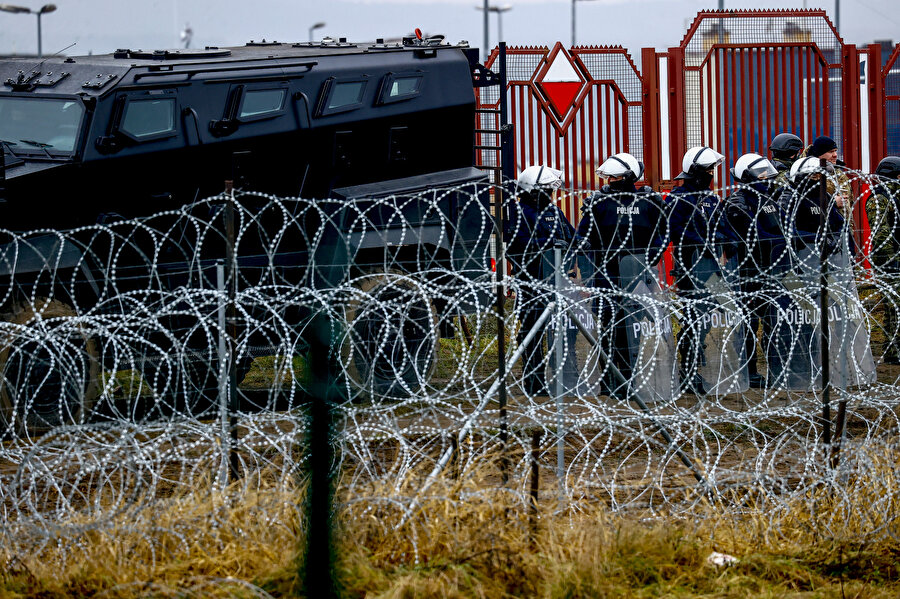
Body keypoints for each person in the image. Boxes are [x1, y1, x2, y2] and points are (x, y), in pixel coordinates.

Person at [576, 152, 672, 402]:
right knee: (608, 329)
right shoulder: (598, 202)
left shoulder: (649, 201)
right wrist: (589, 275)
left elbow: (663, 233)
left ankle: (630, 377)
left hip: (639, 276)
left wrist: (651, 258)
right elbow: (584, 240)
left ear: (629, 176)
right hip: (606, 277)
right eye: (608, 176)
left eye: (615, 176)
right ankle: (610, 380)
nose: (609, 180)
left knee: (634, 329)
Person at [780, 156, 875, 388]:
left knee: (845, 317)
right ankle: (824, 374)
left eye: (821, 176)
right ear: (802, 177)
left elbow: (839, 224)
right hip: (809, 269)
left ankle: (852, 372)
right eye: (814, 176)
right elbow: (790, 233)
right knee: (819, 322)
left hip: (835, 267)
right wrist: (815, 241)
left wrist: (843, 248)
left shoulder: (824, 197)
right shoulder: (792, 199)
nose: (819, 180)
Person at [668, 146, 747, 395]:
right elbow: (676, 229)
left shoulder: (712, 198)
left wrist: (728, 241)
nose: (713, 174)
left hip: (713, 268)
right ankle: (688, 370)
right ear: (696, 172)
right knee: (693, 318)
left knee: (707, 316)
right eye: (709, 170)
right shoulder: (678, 197)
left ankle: (698, 366)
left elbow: (722, 224)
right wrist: (704, 241)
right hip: (691, 267)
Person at [725, 153, 796, 388]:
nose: (766, 179)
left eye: (767, 174)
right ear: (748, 177)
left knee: (773, 322)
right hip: (748, 272)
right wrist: (779, 242)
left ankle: (777, 368)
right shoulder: (738, 202)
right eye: (761, 175)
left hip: (772, 270)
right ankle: (750, 371)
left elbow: (785, 227)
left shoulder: (768, 199)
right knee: (748, 324)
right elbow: (755, 235)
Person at [506, 165, 576, 395]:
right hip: (532, 283)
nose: (550, 195)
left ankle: (566, 379)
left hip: (558, 282)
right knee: (532, 331)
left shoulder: (554, 212)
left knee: (566, 331)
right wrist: (550, 247)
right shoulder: (519, 213)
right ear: (534, 192)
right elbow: (516, 247)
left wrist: (573, 248)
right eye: (546, 191)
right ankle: (534, 383)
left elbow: (571, 236)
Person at [865, 156, 900, 363]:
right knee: (893, 306)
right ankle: (892, 351)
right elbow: (881, 233)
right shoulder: (879, 198)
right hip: (889, 258)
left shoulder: (894, 195)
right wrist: (890, 260)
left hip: (896, 254)